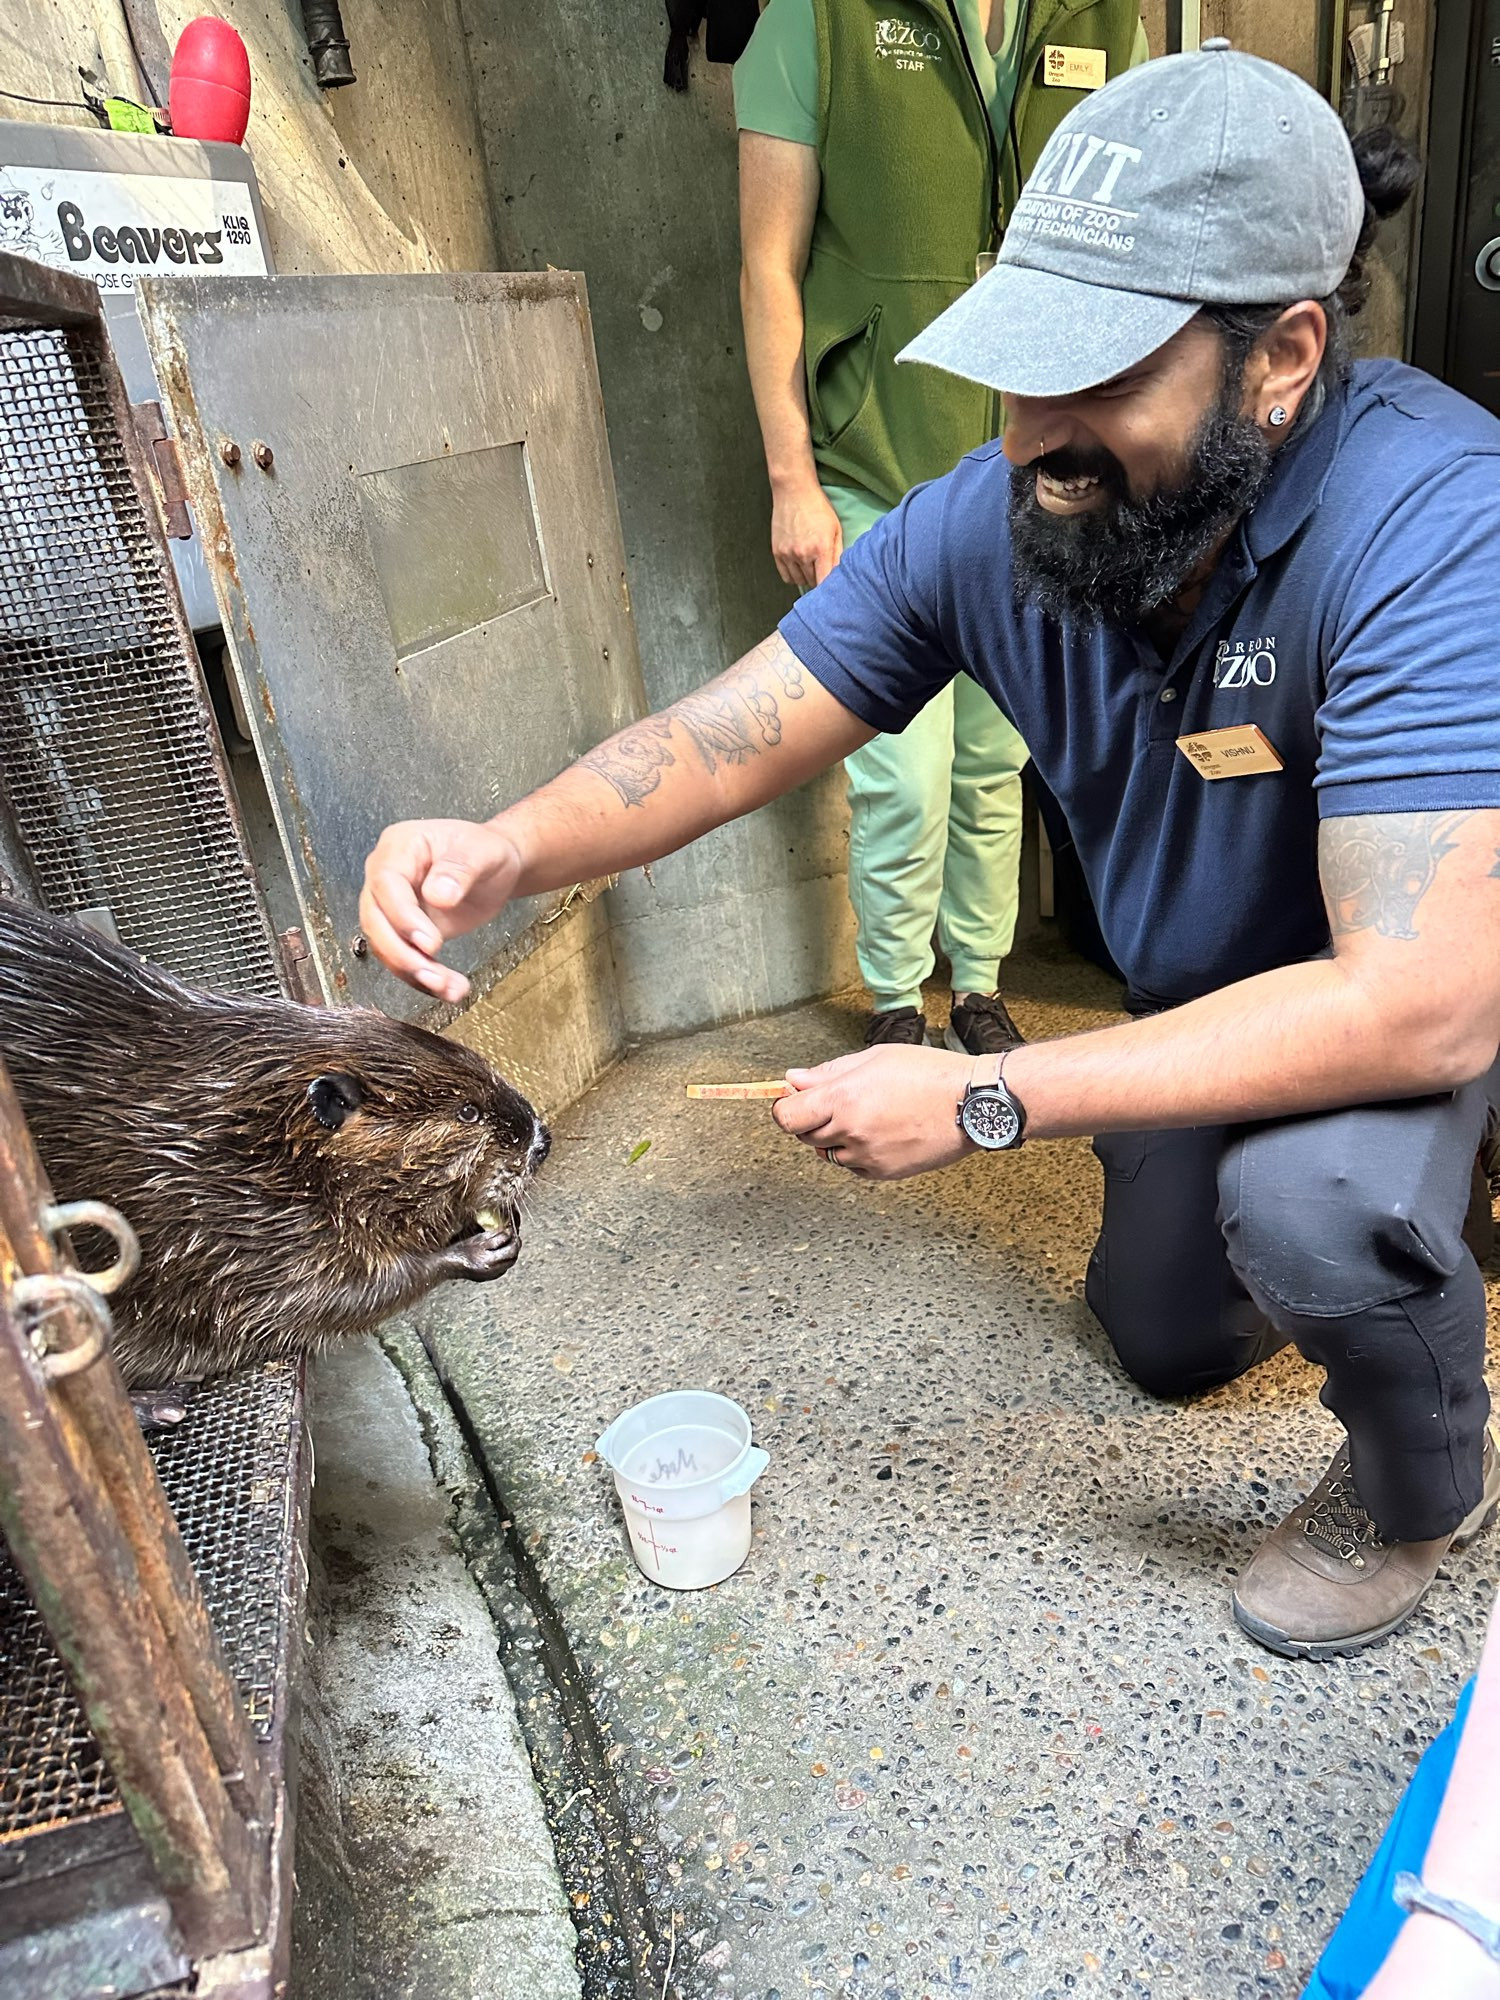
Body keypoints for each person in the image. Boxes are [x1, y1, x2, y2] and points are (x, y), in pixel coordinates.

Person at [362, 46, 1500, 1661]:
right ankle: (1283, 1186)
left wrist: (991, 1099)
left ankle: (1423, 1471)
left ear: (1284, 358)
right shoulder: (1000, 517)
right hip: (1220, 999)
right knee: (1165, 1335)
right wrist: (510, 842)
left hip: (1420, 984)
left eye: (1104, 377)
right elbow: (737, 726)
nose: (1039, 433)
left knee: (1322, 1210)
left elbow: (1419, 1004)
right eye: (1023, 368)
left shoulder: (1436, 519)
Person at [734, 1, 1147, 1057]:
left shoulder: (1109, 22)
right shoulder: (815, 20)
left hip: (1030, 469)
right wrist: (793, 475)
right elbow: (768, 264)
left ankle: (977, 983)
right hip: (870, 463)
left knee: (992, 757)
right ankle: (892, 999)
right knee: (897, 771)